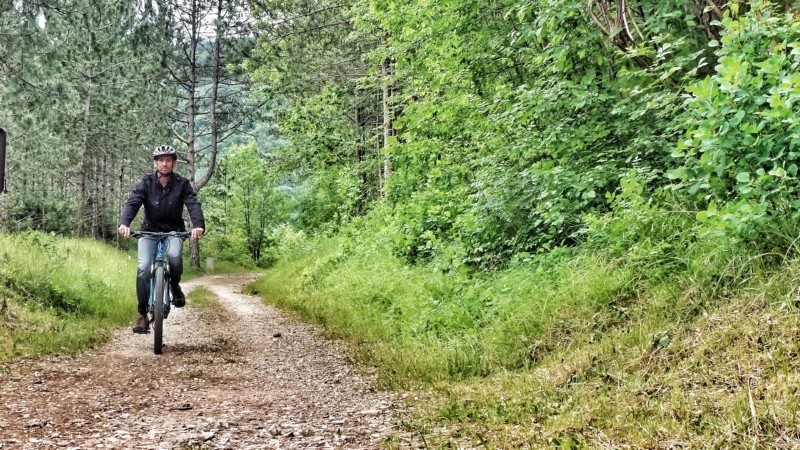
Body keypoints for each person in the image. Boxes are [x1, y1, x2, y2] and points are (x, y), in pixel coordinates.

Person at [118, 145, 205, 334]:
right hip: (149, 232)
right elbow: (133, 202)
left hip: (174, 231)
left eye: (168, 160)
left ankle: (174, 285)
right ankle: (142, 314)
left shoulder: (182, 184)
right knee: (143, 268)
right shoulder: (146, 183)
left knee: (174, 256)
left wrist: (198, 225)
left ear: (173, 163)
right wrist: (124, 223)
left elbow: (192, 203)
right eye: (161, 160)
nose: (164, 163)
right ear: (155, 163)